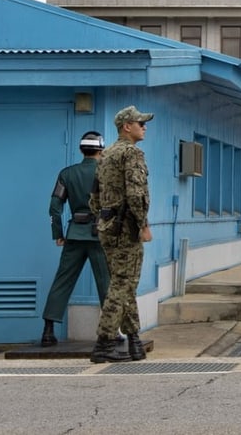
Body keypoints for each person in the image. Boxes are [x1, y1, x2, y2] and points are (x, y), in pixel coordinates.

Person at [89, 105, 154, 363]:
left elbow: (94, 197)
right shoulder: (132, 153)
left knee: (124, 285)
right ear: (127, 126)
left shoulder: (105, 156)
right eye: (140, 123)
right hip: (126, 228)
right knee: (122, 285)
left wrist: (103, 218)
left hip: (107, 227)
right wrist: (142, 224)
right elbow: (137, 194)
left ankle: (134, 342)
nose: (144, 127)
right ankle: (104, 342)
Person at [41, 132, 111, 347]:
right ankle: (110, 332)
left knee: (63, 280)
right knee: (106, 281)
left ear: (82, 150)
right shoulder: (108, 173)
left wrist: (58, 234)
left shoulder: (67, 174)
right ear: (101, 149)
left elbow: (54, 207)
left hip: (74, 234)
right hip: (102, 234)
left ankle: (48, 330)